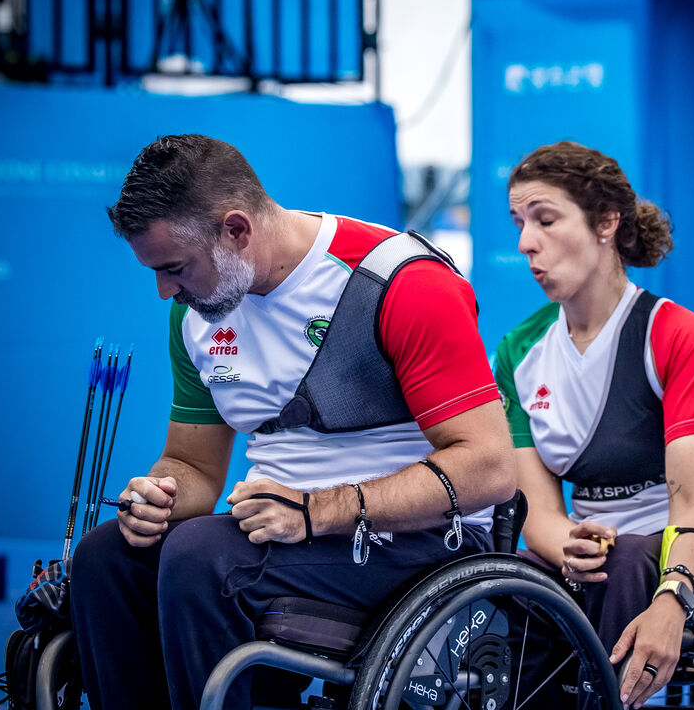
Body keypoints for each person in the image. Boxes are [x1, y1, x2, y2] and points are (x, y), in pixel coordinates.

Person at [71, 134, 515, 710]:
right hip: (278, 536)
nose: (165, 293)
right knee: (107, 559)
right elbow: (193, 468)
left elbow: (489, 467)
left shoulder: (405, 284)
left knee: (203, 557)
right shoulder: (195, 313)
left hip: (419, 539)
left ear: (236, 230)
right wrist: (158, 497)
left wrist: (319, 511)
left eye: (175, 268)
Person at [494, 140, 694, 708]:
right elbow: (540, 513)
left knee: (629, 560)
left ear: (606, 222)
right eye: (518, 223)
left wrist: (673, 600)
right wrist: (569, 547)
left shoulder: (676, 333)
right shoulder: (519, 350)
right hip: (613, 543)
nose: (525, 243)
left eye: (545, 219)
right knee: (515, 572)